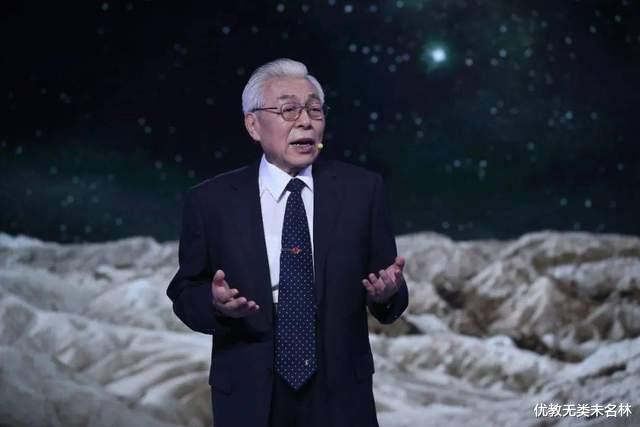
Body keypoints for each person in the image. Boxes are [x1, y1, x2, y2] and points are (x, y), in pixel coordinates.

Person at [167, 58, 408, 427]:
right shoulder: (211, 201)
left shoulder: (363, 191)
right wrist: (215, 305)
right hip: (249, 391)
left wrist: (386, 294)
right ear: (253, 125)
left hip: (341, 393)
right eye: (289, 109)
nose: (306, 121)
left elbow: (390, 292)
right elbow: (185, 292)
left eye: (314, 109)